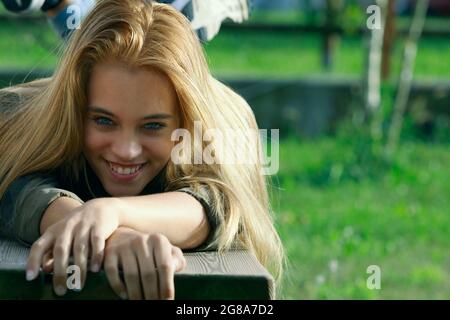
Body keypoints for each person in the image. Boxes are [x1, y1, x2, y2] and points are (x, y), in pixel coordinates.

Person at [0, 0, 283, 300]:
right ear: (77, 109)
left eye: (152, 126)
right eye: (104, 120)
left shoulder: (221, 130)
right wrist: (108, 234)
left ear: (184, 121)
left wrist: (110, 211)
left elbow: (216, 206)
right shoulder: (19, 118)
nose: (126, 150)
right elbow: (14, 188)